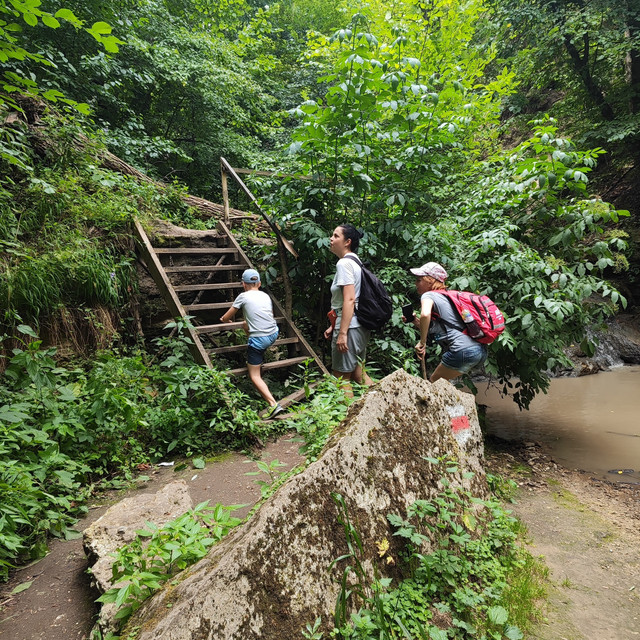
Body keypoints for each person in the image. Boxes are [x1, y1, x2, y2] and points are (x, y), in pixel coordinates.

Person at [408, 262, 487, 383]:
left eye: (419, 280)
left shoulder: (428, 295)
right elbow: (439, 327)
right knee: (442, 384)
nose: (416, 283)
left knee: (434, 381)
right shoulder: (448, 297)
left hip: (462, 350)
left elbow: (425, 314)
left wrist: (422, 342)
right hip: (479, 351)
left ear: (430, 280)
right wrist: (414, 320)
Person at [220, 268, 284, 419]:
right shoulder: (265, 296)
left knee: (254, 375)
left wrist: (225, 320)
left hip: (259, 340)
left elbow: (226, 317)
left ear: (243, 284)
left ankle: (273, 404)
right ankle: (257, 347)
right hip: (273, 333)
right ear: (259, 283)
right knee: (245, 324)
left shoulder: (243, 296)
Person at [323, 224, 373, 393]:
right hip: (359, 325)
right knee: (359, 374)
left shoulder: (344, 264)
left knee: (341, 378)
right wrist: (333, 325)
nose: (331, 239)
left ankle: (348, 419)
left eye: (336, 236)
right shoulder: (356, 262)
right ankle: (382, 408)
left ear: (347, 242)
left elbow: (350, 299)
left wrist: (342, 333)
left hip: (349, 328)